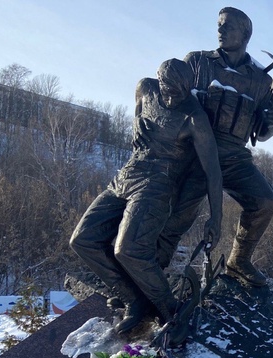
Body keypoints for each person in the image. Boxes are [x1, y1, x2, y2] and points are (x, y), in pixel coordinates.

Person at [70, 59, 222, 333]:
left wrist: (216, 217)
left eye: (180, 92)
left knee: (129, 249)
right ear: (160, 81)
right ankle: (134, 299)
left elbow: (213, 171)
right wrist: (137, 122)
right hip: (127, 174)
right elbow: (138, 110)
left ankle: (169, 309)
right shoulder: (146, 88)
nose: (173, 96)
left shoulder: (194, 118)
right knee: (83, 239)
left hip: (158, 184)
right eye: (169, 89)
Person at [157, 7, 273, 287]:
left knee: (265, 203)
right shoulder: (197, 62)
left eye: (228, 26)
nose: (220, 31)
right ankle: (148, 275)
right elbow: (170, 100)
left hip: (235, 156)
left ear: (245, 34)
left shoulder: (261, 80)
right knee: (179, 216)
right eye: (219, 25)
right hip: (198, 152)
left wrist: (271, 123)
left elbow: (261, 133)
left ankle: (239, 261)